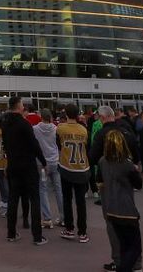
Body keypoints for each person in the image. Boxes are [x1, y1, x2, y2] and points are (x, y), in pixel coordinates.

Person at [3, 97, 47, 244]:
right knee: (34, 198)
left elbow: (6, 145)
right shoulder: (24, 124)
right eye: (22, 104)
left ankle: (11, 233)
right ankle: (37, 236)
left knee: (13, 198)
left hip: (13, 165)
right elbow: (34, 144)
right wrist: (43, 161)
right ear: (18, 106)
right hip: (27, 165)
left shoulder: (5, 124)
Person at [98, 129, 143, 272]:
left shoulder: (102, 161)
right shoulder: (126, 163)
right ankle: (125, 268)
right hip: (127, 210)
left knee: (123, 245)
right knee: (135, 247)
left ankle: (122, 265)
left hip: (111, 208)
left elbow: (99, 181)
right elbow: (138, 184)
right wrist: (136, 170)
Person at [57, 104, 92, 243]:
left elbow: (59, 144)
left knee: (67, 199)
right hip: (82, 168)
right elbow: (87, 147)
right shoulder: (83, 130)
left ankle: (69, 229)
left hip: (66, 167)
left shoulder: (61, 128)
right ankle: (82, 232)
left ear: (66, 114)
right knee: (81, 202)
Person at [33, 110, 63, 227]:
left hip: (41, 162)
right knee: (58, 189)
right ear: (50, 117)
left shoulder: (35, 129)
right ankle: (63, 217)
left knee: (43, 189)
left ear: (41, 117)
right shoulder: (56, 129)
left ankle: (47, 218)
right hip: (55, 161)